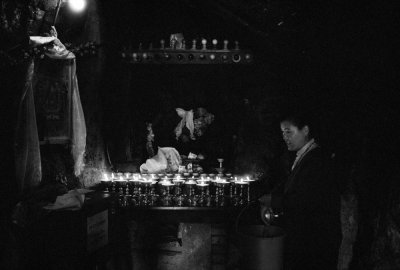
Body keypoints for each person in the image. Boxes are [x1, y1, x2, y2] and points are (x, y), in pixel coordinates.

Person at [259, 110, 341, 270]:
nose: (285, 137)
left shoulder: (317, 161)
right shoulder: (304, 156)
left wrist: (273, 201)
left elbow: (305, 199)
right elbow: (289, 184)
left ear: (305, 130)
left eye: (289, 132)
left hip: (316, 241)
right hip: (306, 237)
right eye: (283, 133)